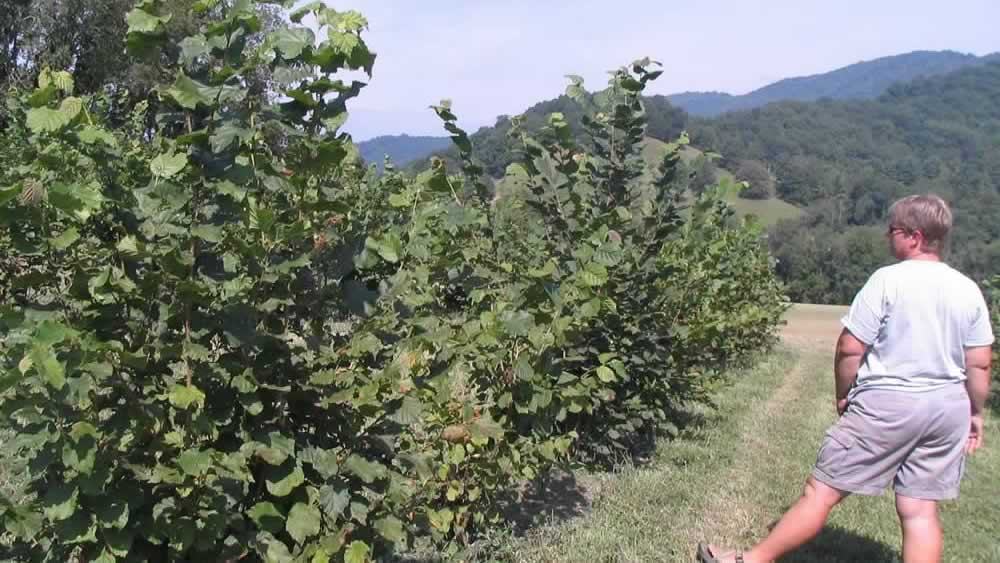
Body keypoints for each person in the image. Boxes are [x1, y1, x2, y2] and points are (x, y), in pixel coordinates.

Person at [696, 194, 994, 563]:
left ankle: (751, 560)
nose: (888, 237)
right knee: (920, 511)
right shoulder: (967, 289)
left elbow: (851, 348)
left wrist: (844, 393)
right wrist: (975, 414)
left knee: (820, 492)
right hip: (947, 409)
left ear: (914, 236)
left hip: (889, 404)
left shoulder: (888, 280)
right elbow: (979, 363)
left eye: (894, 231)